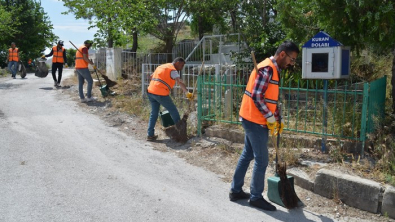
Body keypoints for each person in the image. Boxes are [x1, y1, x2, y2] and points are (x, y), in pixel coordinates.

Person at [229, 41, 299, 211]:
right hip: (255, 120)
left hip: (252, 117)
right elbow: (257, 96)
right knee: (262, 160)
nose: (292, 63)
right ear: (282, 54)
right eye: (292, 59)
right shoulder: (268, 68)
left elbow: (269, 98)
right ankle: (255, 197)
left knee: (247, 154)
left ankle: (235, 190)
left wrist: (276, 118)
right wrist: (269, 117)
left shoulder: (273, 69)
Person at [146, 57, 193, 141]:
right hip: (160, 93)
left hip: (150, 91)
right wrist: (187, 92)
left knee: (154, 113)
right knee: (173, 111)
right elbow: (179, 82)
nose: (181, 68)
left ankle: (150, 135)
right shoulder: (173, 70)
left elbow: (150, 77)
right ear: (177, 62)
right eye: (181, 65)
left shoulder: (161, 67)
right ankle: (180, 133)